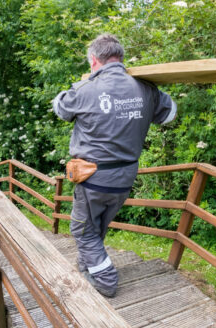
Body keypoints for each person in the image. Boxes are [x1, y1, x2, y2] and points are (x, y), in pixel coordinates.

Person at [52, 34, 177, 297]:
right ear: (120, 58)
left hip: (93, 179)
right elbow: (170, 114)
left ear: (94, 61)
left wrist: (71, 89)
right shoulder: (145, 88)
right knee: (96, 227)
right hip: (125, 178)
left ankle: (107, 280)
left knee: (82, 230)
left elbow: (61, 109)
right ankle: (88, 266)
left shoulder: (85, 90)